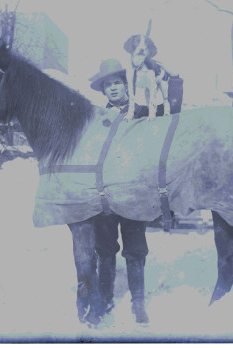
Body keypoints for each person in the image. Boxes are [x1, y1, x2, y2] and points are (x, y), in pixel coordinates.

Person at [88, 59, 165, 324]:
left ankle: (138, 303)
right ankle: (105, 300)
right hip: (106, 195)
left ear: (126, 85)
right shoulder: (96, 117)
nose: (112, 89)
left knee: (135, 249)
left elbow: (162, 118)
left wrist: (158, 75)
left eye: (117, 83)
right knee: (105, 249)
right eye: (107, 85)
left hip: (134, 193)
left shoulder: (143, 111)